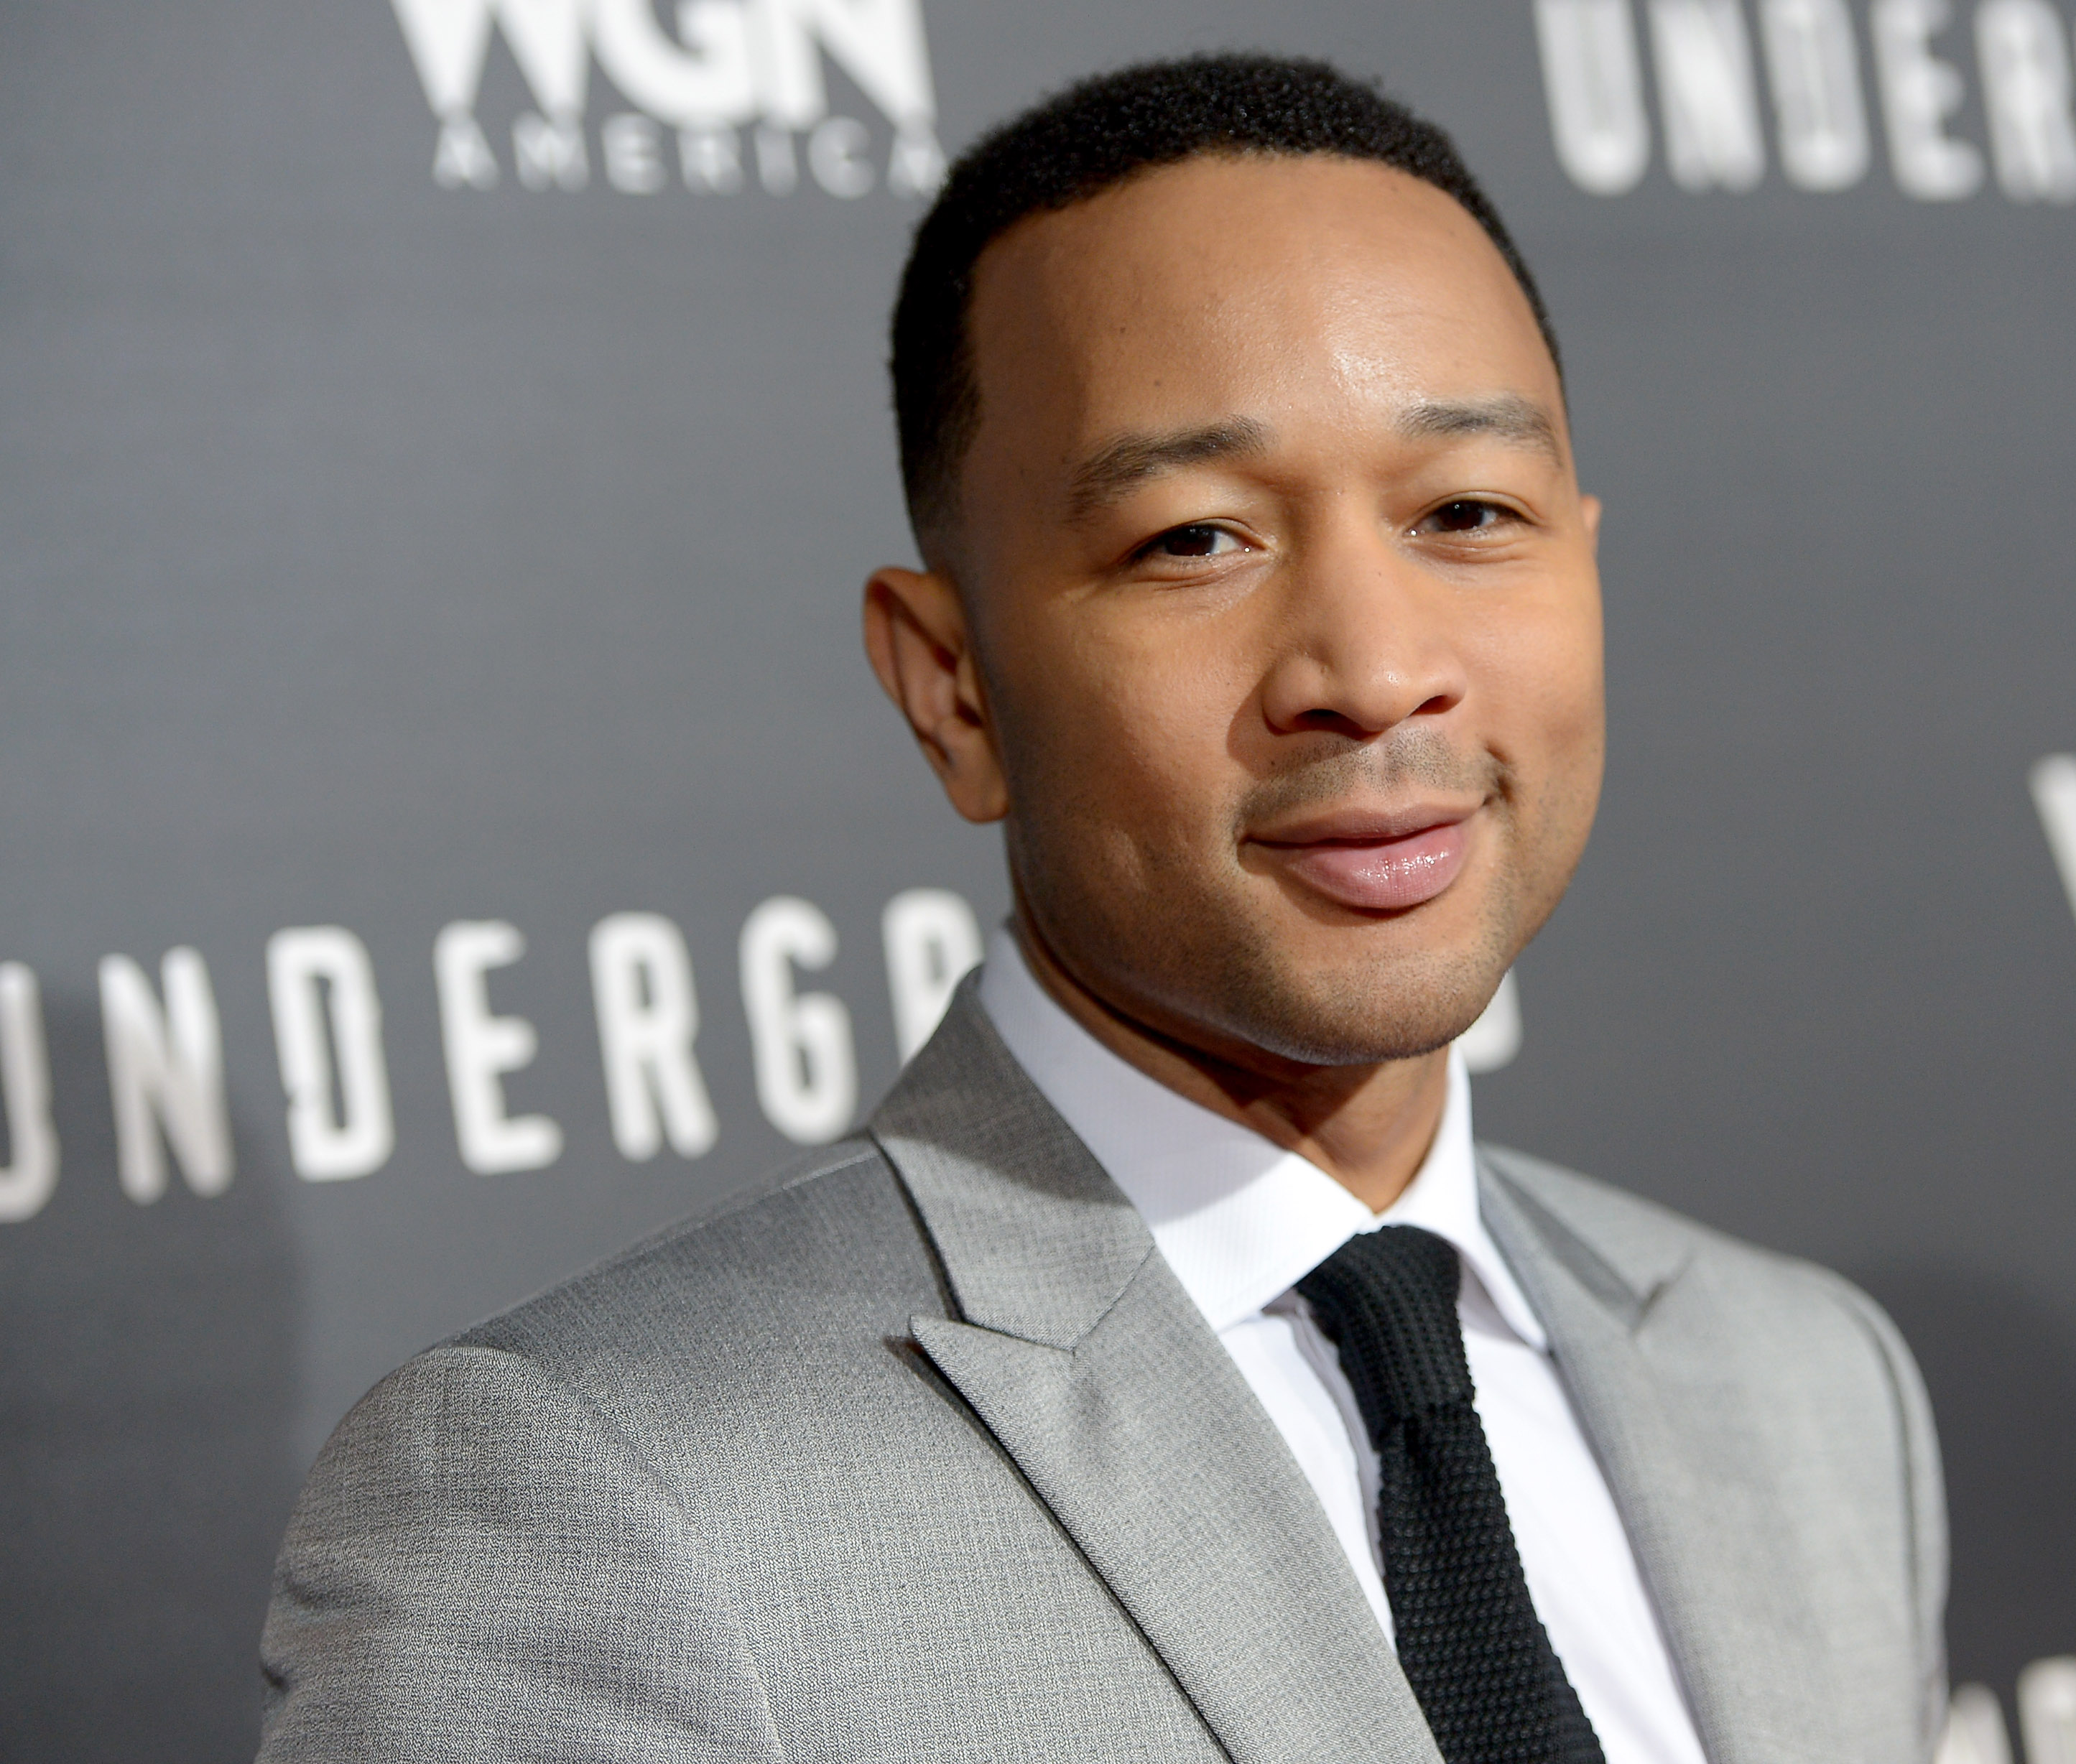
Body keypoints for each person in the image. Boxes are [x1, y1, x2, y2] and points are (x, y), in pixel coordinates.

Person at [257, 55, 1946, 1764]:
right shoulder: (598, 1504)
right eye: (1196, 540)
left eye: (1466, 513)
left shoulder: (1807, 1390)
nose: (1375, 671)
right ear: (954, 688)